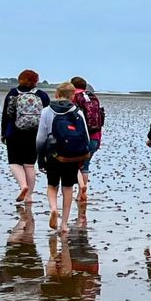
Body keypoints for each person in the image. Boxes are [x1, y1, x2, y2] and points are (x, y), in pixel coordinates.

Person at [34, 81, 94, 232]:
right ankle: (64, 224)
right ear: (72, 96)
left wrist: (40, 157)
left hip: (53, 153)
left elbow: (41, 137)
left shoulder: (47, 111)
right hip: (72, 156)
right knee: (68, 187)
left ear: (56, 94)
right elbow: (85, 137)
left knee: (52, 185)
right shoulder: (77, 112)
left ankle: (54, 208)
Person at [2, 70, 51, 204]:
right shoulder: (42, 95)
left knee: (14, 163)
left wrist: (3, 133)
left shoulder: (13, 94)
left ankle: (23, 185)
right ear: (36, 81)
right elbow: (47, 116)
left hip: (14, 133)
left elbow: (6, 115)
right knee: (29, 165)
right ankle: (29, 196)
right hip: (35, 134)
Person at [68, 76, 107, 207]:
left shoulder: (74, 98)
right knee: (85, 165)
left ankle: (81, 188)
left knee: (74, 165)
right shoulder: (93, 98)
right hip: (95, 137)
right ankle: (82, 193)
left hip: (80, 137)